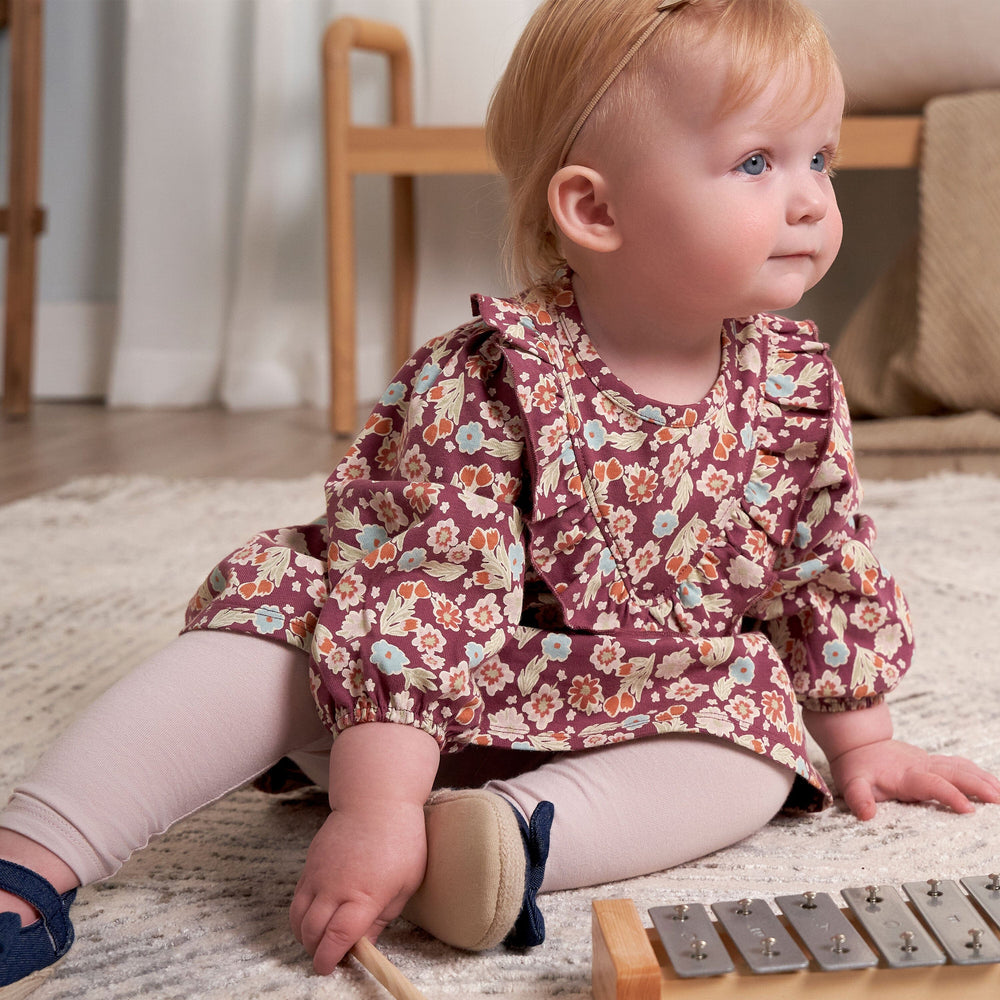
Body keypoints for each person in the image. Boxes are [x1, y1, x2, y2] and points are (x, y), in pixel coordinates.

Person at [3, 0, 1000, 992]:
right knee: (272, 631)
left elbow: (822, 558)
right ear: (595, 210)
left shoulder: (794, 382)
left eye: (817, 159)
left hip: (623, 697)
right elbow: (416, 593)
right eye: (755, 163)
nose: (810, 201)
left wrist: (860, 738)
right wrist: (374, 804)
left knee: (752, 740)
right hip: (397, 690)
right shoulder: (491, 377)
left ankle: (495, 847)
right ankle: (35, 855)